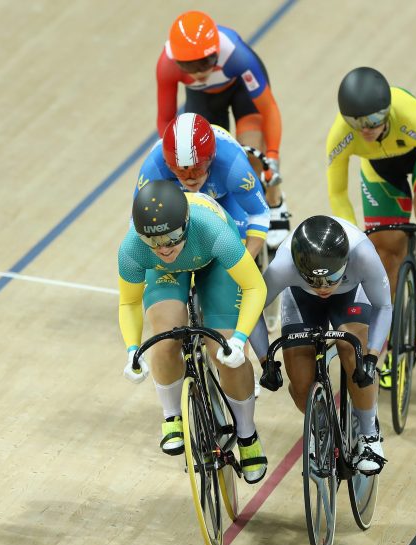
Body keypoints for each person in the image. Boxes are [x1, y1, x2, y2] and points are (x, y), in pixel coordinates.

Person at [326, 66, 416, 387]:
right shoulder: (341, 134)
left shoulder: (411, 117)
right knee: (385, 253)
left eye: (375, 120)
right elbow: (338, 193)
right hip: (380, 168)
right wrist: (354, 244)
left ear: (388, 110)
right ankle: (385, 347)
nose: (366, 129)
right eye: (357, 123)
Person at [118, 180, 269, 484]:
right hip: (166, 274)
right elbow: (129, 303)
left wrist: (239, 340)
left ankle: (246, 434)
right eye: (154, 241)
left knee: (224, 352)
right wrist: (133, 349)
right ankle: (172, 416)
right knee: (166, 335)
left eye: (172, 237)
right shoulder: (134, 249)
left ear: (185, 224)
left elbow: (256, 287)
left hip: (212, 261)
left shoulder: (213, 231)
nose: (164, 248)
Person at [251, 215, 391, 474]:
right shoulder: (283, 265)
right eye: (315, 280)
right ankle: (321, 426)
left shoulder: (363, 255)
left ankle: (369, 436)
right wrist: (264, 360)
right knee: (301, 382)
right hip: (301, 299)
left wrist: (371, 357)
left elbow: (384, 306)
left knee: (353, 352)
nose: (324, 288)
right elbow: (251, 310)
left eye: (331, 278)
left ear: (346, 261)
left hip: (350, 293)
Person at [157, 10, 290, 248]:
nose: (199, 73)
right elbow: (166, 121)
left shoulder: (238, 56)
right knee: (200, 159)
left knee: (250, 154)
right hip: (203, 101)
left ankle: (275, 200)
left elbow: (269, 109)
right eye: (189, 66)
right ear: (177, 62)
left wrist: (273, 157)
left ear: (217, 52)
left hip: (241, 92)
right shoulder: (166, 65)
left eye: (205, 62)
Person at [135, 112, 270, 260]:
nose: (190, 178)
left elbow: (259, 213)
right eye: (180, 171)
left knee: (233, 252)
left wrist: (245, 264)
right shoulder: (153, 168)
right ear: (167, 165)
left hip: (226, 199)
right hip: (174, 207)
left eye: (197, 169)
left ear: (212, 158)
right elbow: (138, 224)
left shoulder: (234, 168)